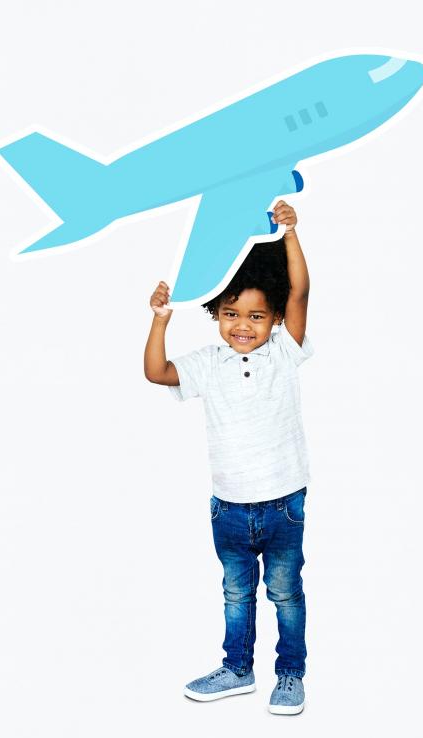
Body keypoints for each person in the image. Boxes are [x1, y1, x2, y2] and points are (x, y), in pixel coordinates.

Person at [144, 200, 313, 715]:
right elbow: (157, 373)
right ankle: (238, 669)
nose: (243, 326)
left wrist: (288, 235)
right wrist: (159, 321)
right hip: (230, 507)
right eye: (233, 314)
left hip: (284, 501)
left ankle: (290, 675)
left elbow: (302, 288)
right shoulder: (208, 363)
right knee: (236, 595)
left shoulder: (285, 351)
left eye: (257, 316)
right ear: (216, 313)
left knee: (284, 593)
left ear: (276, 317)